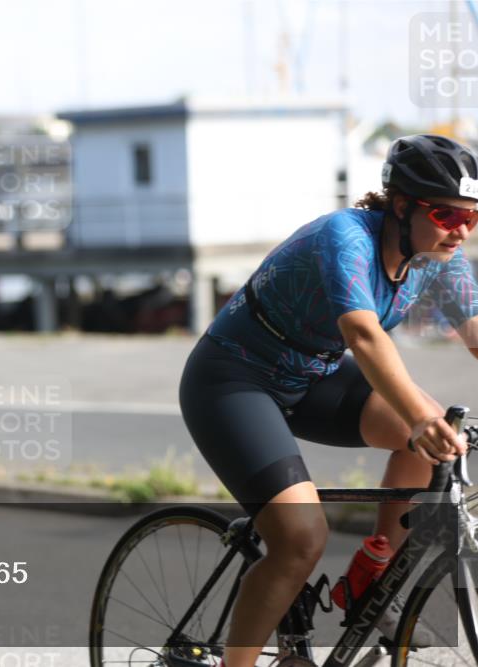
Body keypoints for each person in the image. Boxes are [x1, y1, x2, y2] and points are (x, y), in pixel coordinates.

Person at [178, 133, 478, 667]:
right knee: (300, 538)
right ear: (402, 205)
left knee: (432, 436)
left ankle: (372, 570)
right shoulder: (346, 238)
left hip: (310, 375)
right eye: (445, 215)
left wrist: (422, 422)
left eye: (471, 219)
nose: (459, 231)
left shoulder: (439, 259)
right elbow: (364, 337)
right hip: (232, 380)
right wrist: (416, 417)